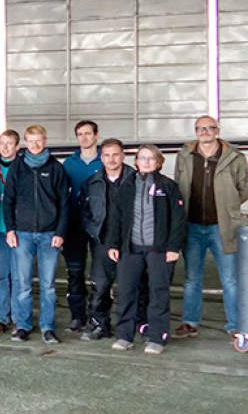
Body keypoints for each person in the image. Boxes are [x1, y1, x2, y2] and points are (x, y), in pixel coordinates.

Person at [105, 145, 187, 354]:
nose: (147, 162)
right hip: (130, 249)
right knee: (126, 292)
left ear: (159, 162)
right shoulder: (127, 185)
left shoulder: (168, 186)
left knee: (158, 292)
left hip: (158, 250)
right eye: (143, 158)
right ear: (136, 162)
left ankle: (156, 337)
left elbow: (178, 219)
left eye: (151, 158)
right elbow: (116, 217)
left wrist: (173, 247)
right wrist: (114, 244)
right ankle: (124, 335)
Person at [174, 116, 248, 346]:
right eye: (200, 128)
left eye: (209, 128)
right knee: (192, 277)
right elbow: (178, 184)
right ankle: (190, 322)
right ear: (196, 131)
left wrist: (229, 207)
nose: (205, 131)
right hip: (192, 225)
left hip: (222, 226)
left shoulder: (234, 158)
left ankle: (234, 325)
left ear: (218, 131)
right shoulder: (185, 155)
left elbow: (244, 188)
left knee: (229, 279)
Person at [3, 124, 70, 345]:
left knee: (48, 285)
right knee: (23, 284)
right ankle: (23, 325)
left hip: (49, 234)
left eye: (39, 140)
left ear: (45, 140)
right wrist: (10, 229)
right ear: (25, 142)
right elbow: (9, 200)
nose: (35, 144)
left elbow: (64, 203)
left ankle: (48, 327)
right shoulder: (17, 167)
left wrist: (60, 232)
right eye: (31, 141)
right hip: (22, 234)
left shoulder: (56, 168)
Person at [79, 138, 137, 340]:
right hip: (102, 242)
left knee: (133, 285)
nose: (111, 159)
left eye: (115, 154)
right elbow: (84, 212)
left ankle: (134, 325)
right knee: (100, 285)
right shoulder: (92, 183)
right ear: (101, 158)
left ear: (123, 156)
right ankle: (98, 324)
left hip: (132, 242)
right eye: (107, 155)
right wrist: (94, 232)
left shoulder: (137, 180)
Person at [62, 120, 102, 332]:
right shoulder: (69, 164)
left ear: (96, 135)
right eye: (80, 134)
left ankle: (98, 316)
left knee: (100, 274)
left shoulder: (106, 161)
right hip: (75, 224)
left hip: (100, 226)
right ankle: (77, 315)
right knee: (75, 272)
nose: (84, 138)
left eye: (88, 133)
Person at [0, 130, 21, 333]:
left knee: (19, 277)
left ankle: (19, 317)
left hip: (19, 231)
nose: (5, 147)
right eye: (2, 143)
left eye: (10, 143)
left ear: (17, 146)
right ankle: (0, 318)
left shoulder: (25, 168)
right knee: (1, 276)